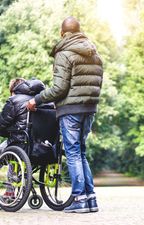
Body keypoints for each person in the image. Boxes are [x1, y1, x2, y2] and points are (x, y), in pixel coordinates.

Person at [27, 16, 103, 213]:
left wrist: (37, 99)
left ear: (63, 33)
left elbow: (59, 88)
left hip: (71, 110)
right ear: (79, 31)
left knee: (73, 153)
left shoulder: (65, 53)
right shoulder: (94, 53)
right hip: (89, 108)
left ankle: (78, 199)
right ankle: (90, 199)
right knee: (82, 152)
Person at [0, 78, 45, 197]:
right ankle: (10, 191)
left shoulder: (15, 100)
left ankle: (10, 192)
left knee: (8, 151)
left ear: (13, 90)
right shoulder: (44, 100)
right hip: (42, 146)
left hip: (21, 143)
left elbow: (2, 124)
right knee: (13, 154)